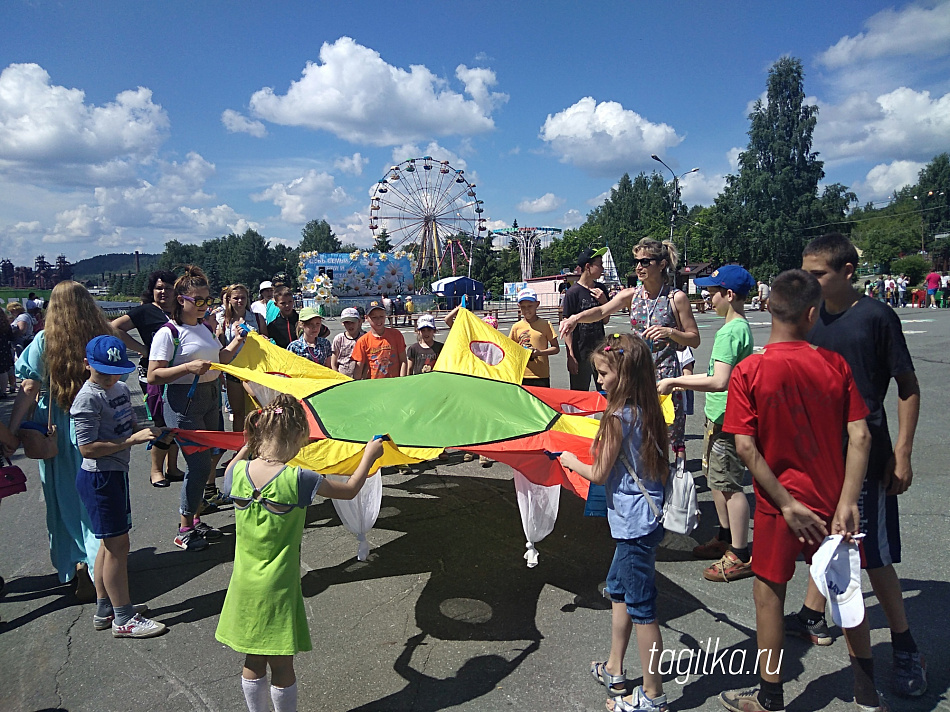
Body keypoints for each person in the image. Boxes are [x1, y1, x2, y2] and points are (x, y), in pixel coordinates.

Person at [718, 269, 885, 712]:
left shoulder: (750, 370)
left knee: (769, 595)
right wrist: (848, 500)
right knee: (846, 595)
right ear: (812, 313)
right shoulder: (834, 364)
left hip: (778, 506)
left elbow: (746, 447)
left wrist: (787, 503)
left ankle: (771, 696)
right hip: (833, 503)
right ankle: (867, 691)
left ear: (769, 307)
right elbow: (861, 436)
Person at [800, 234, 926, 697]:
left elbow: (908, 387)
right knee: (824, 543)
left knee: (872, 557)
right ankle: (813, 615)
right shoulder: (809, 319)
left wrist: (904, 453)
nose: (809, 282)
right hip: (820, 459)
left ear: (848, 272)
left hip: (866, 457)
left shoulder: (876, 316)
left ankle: (906, 646)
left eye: (819, 275)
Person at [216, 395, 384, 712]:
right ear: (296, 438)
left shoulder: (236, 473)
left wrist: (246, 446)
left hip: (244, 584)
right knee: (282, 665)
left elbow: (231, 469)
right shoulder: (298, 479)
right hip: (278, 587)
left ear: (259, 434)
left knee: (253, 658)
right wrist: (369, 456)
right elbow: (348, 489)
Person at [558, 333, 671, 712]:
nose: (600, 381)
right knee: (619, 592)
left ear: (623, 375)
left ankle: (653, 696)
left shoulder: (617, 418)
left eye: (604, 374)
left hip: (633, 526)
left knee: (643, 611)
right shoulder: (647, 410)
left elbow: (600, 473)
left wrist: (567, 459)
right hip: (645, 519)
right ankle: (614, 668)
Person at [7, 281, 116, 600]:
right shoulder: (101, 339)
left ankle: (76, 562)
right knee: (98, 500)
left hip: (57, 428)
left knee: (64, 500)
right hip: (96, 424)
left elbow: (29, 388)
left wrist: (13, 432)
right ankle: (102, 565)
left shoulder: (44, 340)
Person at [560, 238, 700, 473]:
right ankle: (641, 482)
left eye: (645, 261)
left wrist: (671, 332)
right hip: (635, 376)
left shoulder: (676, 298)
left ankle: (669, 488)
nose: (639, 267)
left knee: (666, 434)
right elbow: (602, 310)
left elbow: (694, 338)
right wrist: (575, 318)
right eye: (637, 261)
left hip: (664, 377)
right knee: (637, 432)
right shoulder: (632, 295)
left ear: (662, 263)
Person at [657, 265, 756, 582]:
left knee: (729, 485)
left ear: (729, 295)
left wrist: (676, 382)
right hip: (720, 415)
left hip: (728, 416)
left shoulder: (731, 331)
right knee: (716, 479)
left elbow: (720, 380)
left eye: (712, 293)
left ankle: (740, 553)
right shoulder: (735, 326)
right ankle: (725, 537)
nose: (706, 297)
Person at [70, 335, 166, 637]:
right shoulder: (87, 398)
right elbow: (87, 448)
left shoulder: (121, 389)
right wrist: (130, 441)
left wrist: (151, 432)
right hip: (100, 477)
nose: (112, 377)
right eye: (103, 371)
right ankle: (123, 618)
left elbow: (129, 425)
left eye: (116, 371)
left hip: (114, 473)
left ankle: (106, 607)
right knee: (118, 546)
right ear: (87, 365)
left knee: (108, 545)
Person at [147, 266, 247, 552]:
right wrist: (187, 368)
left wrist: (239, 340)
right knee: (200, 465)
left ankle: (195, 516)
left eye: (207, 300)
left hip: (210, 398)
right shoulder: (168, 333)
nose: (204, 306)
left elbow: (221, 358)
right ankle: (185, 528)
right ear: (182, 300)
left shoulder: (204, 328)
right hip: (183, 403)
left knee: (209, 462)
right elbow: (154, 375)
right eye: (198, 300)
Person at [112, 269, 184, 487]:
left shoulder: (180, 311)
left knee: (177, 422)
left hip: (177, 372)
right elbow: (114, 327)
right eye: (158, 288)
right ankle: (156, 471)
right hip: (153, 375)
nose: (163, 292)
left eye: (168, 288)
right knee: (162, 423)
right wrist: (143, 349)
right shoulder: (145, 311)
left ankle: (172, 467)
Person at [216, 283, 266, 432]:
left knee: (258, 411)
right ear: (229, 300)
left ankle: (258, 445)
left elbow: (268, 342)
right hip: (234, 371)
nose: (239, 301)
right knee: (238, 414)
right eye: (236, 298)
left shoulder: (257, 318)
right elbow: (220, 349)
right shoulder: (223, 322)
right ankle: (240, 447)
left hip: (255, 370)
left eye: (243, 297)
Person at [561, 247, 610, 391]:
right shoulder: (573, 293)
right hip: (580, 353)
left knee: (606, 392)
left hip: (601, 351)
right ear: (588, 267)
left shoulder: (601, 289)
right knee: (579, 394)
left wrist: (604, 301)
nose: (602, 268)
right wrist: (570, 355)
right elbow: (566, 328)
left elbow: (605, 320)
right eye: (599, 265)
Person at [509, 288, 559, 388]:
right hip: (522, 374)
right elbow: (510, 348)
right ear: (519, 307)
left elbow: (556, 348)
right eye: (523, 307)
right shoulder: (516, 327)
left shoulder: (545, 324)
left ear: (537, 304)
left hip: (541, 375)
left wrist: (540, 352)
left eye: (530, 306)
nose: (526, 310)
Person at [351, 302, 406, 380]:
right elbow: (359, 367)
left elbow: (403, 361)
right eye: (374, 317)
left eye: (381, 316)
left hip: (395, 382)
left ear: (385, 316)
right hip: (373, 383)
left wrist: (402, 380)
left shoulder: (396, 335)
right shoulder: (363, 341)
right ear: (366, 318)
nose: (378, 320)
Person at [331, 307, 365, 378]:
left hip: (359, 376)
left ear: (359, 321)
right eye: (347, 322)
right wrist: (337, 376)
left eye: (352, 322)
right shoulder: (339, 339)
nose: (350, 325)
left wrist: (364, 376)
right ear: (342, 323)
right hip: (342, 375)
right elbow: (333, 362)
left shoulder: (364, 338)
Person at [0, 309, 14, 397]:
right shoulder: (5, 323)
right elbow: (11, 336)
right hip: (4, 347)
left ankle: (2, 391)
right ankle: (4, 390)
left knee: (2, 370)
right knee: (5, 369)